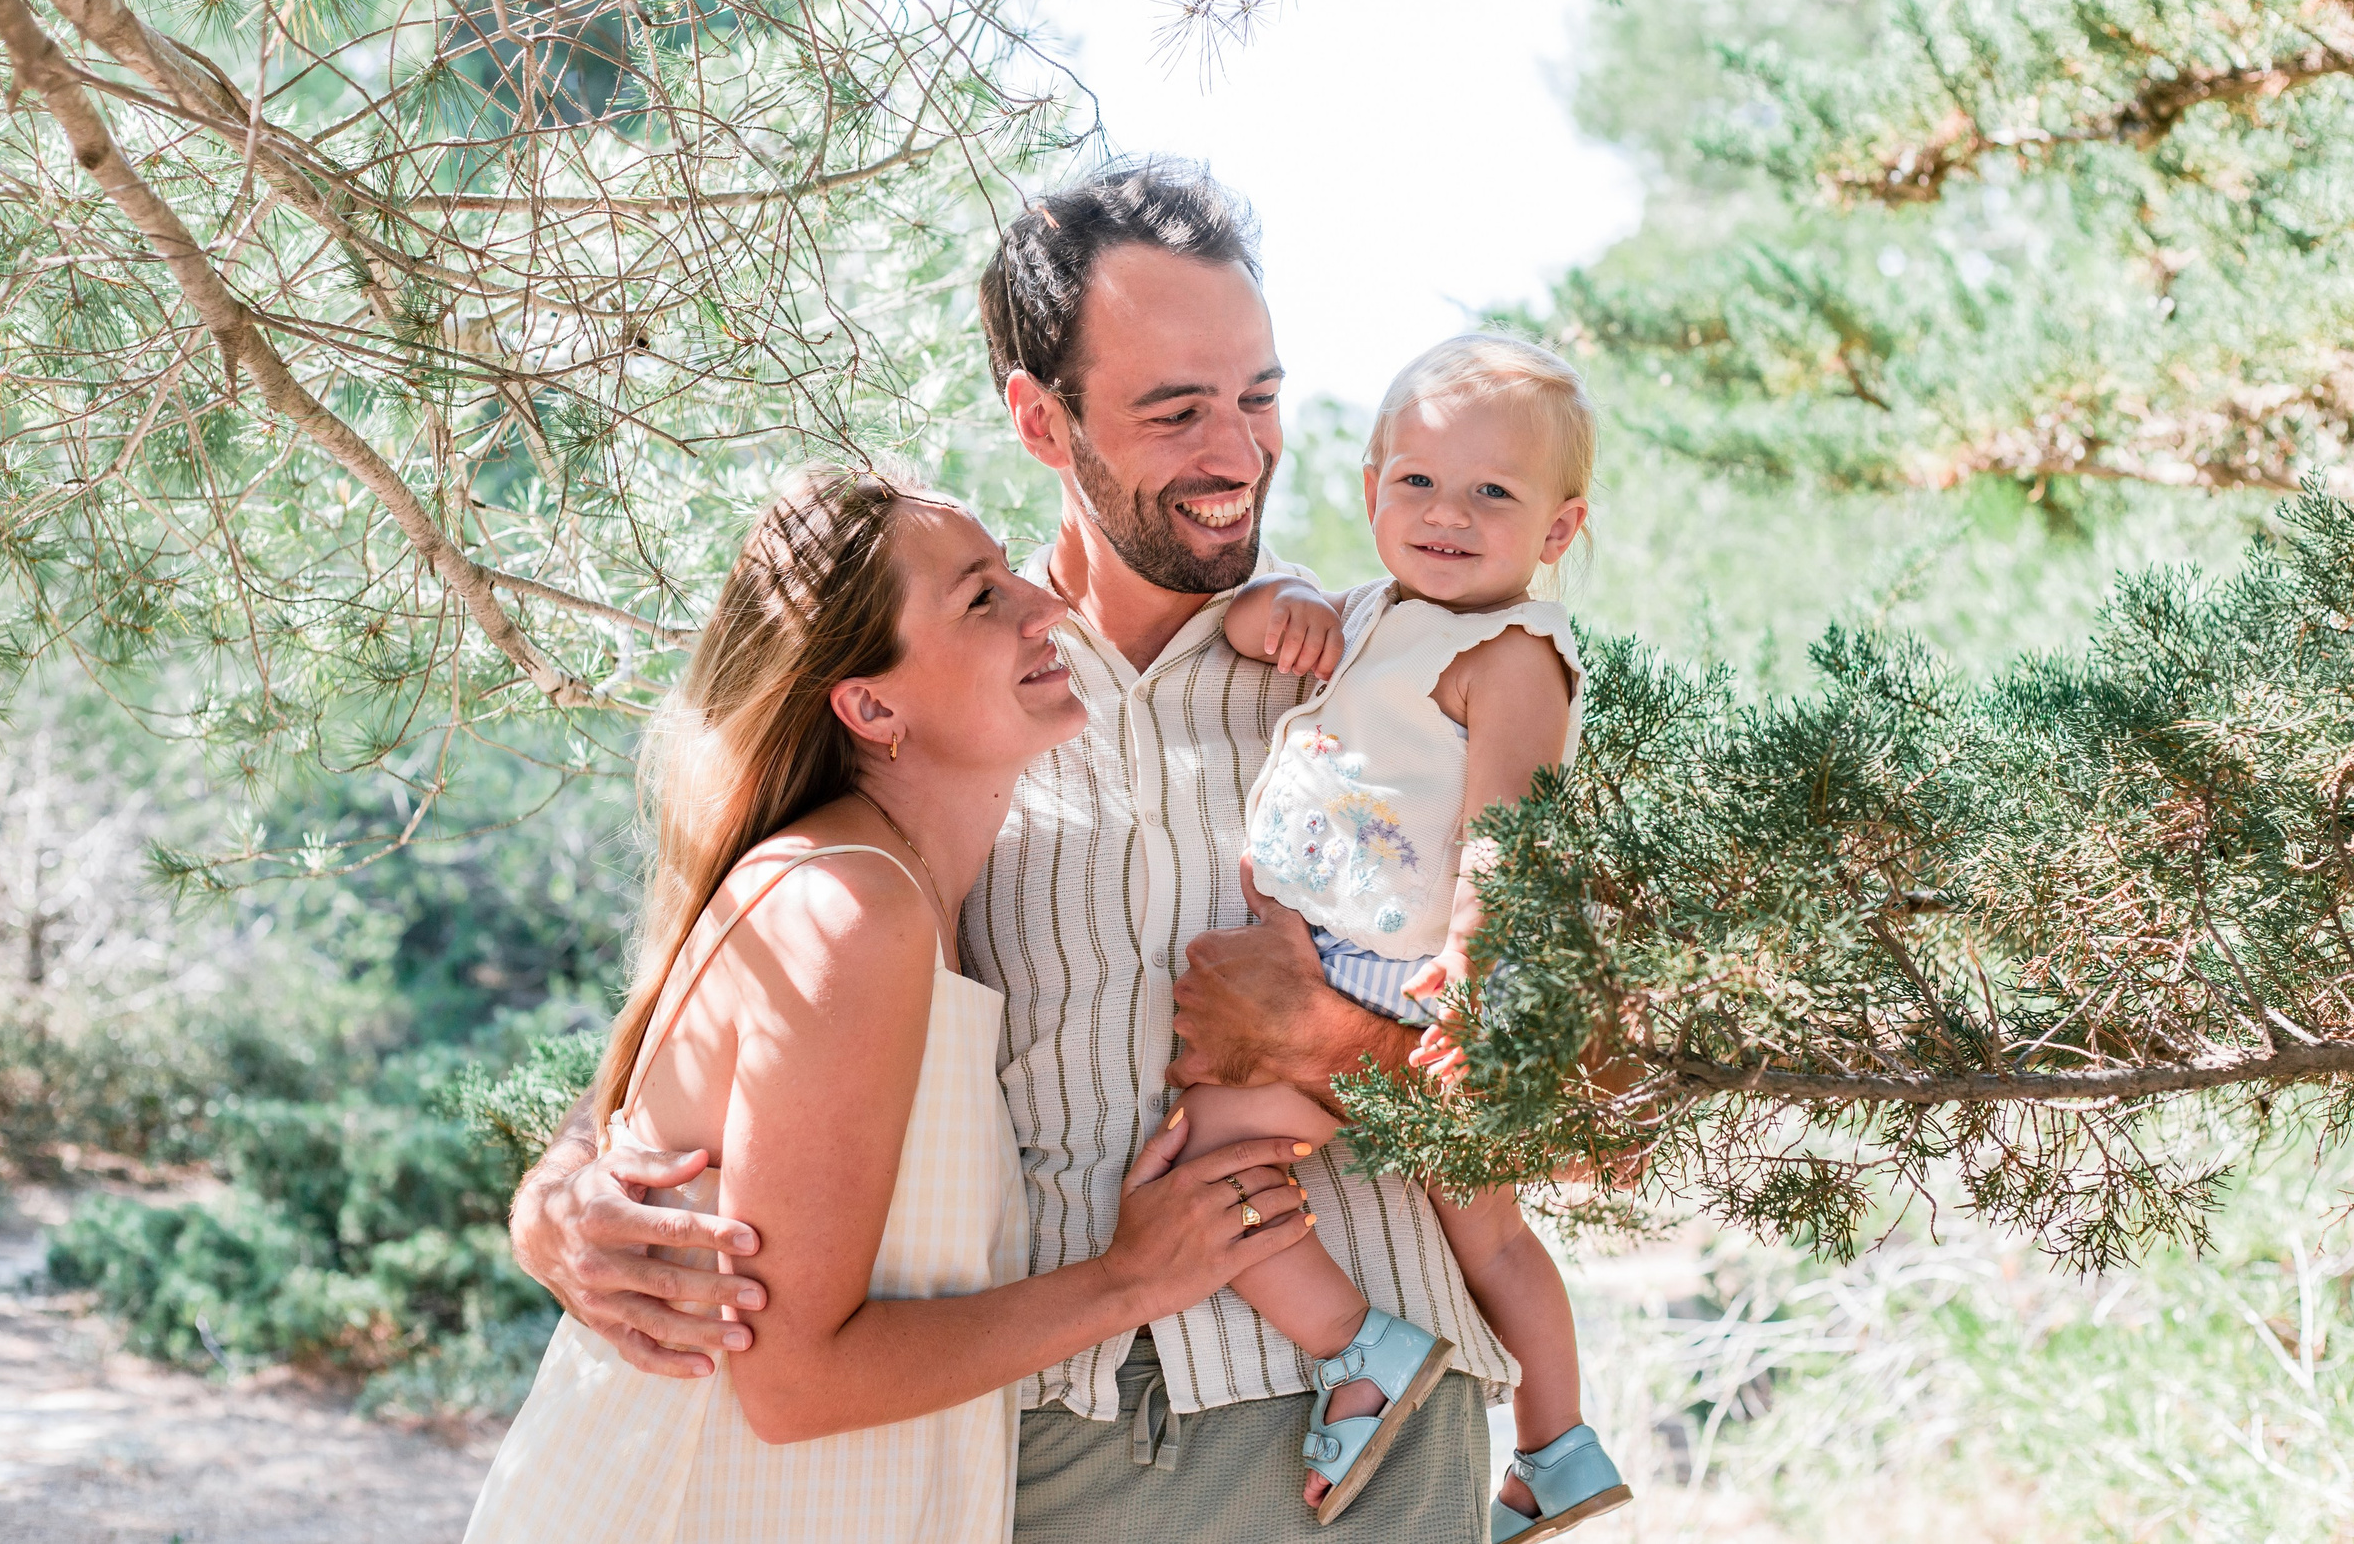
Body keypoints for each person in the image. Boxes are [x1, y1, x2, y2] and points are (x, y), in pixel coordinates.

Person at [506, 161, 1517, 1543]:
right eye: (1176, 408)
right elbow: (741, 971)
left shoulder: (1400, 678)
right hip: (1025, 1452)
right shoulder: (959, 703)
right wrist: (563, 1190)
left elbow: (1600, 1103)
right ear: (1041, 417)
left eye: (1260, 395)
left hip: (1367, 1439)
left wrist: (1332, 1035)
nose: (1237, 451)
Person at [464, 466, 1318, 1543]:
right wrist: (1125, 1283)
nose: (1043, 605)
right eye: (980, 598)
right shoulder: (847, 908)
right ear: (870, 706)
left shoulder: (897, 888)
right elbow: (795, 1387)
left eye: (1011, 573)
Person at [1189, 333, 1634, 1541]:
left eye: (1494, 492)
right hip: (1338, 956)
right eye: (1417, 482)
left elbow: (1508, 833)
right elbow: (1244, 631)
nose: (1448, 514)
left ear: (1556, 528)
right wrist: (1276, 607)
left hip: (1398, 977)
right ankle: (1556, 1451)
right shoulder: (1375, 611)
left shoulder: (1512, 656)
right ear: (1374, 483)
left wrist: (1477, 985)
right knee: (1474, 1220)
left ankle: (1375, 1358)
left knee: (1213, 1168)